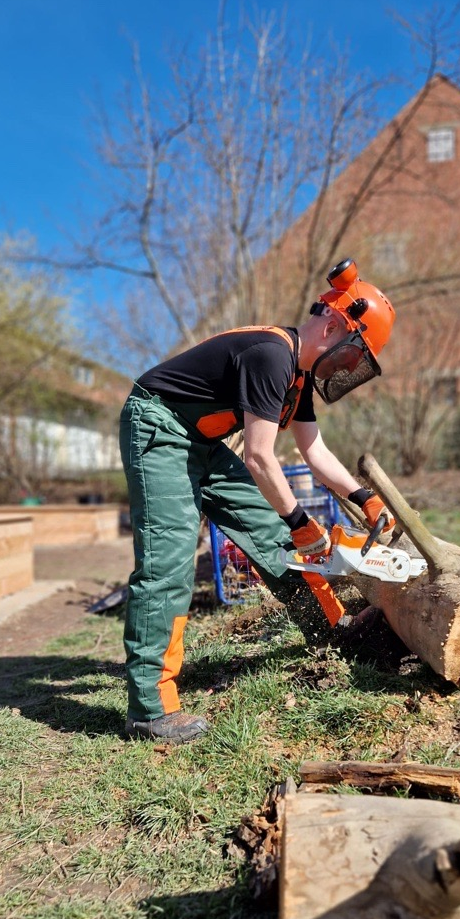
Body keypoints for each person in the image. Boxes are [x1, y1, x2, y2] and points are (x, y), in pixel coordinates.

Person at [120, 259, 396, 743]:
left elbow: (314, 451)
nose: (348, 368)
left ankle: (334, 631)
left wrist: (364, 497)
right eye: (354, 355)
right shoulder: (272, 356)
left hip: (203, 443)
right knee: (169, 559)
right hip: (159, 428)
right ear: (333, 327)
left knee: (273, 538)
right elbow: (261, 458)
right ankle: (150, 708)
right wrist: (301, 522)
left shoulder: (297, 377)